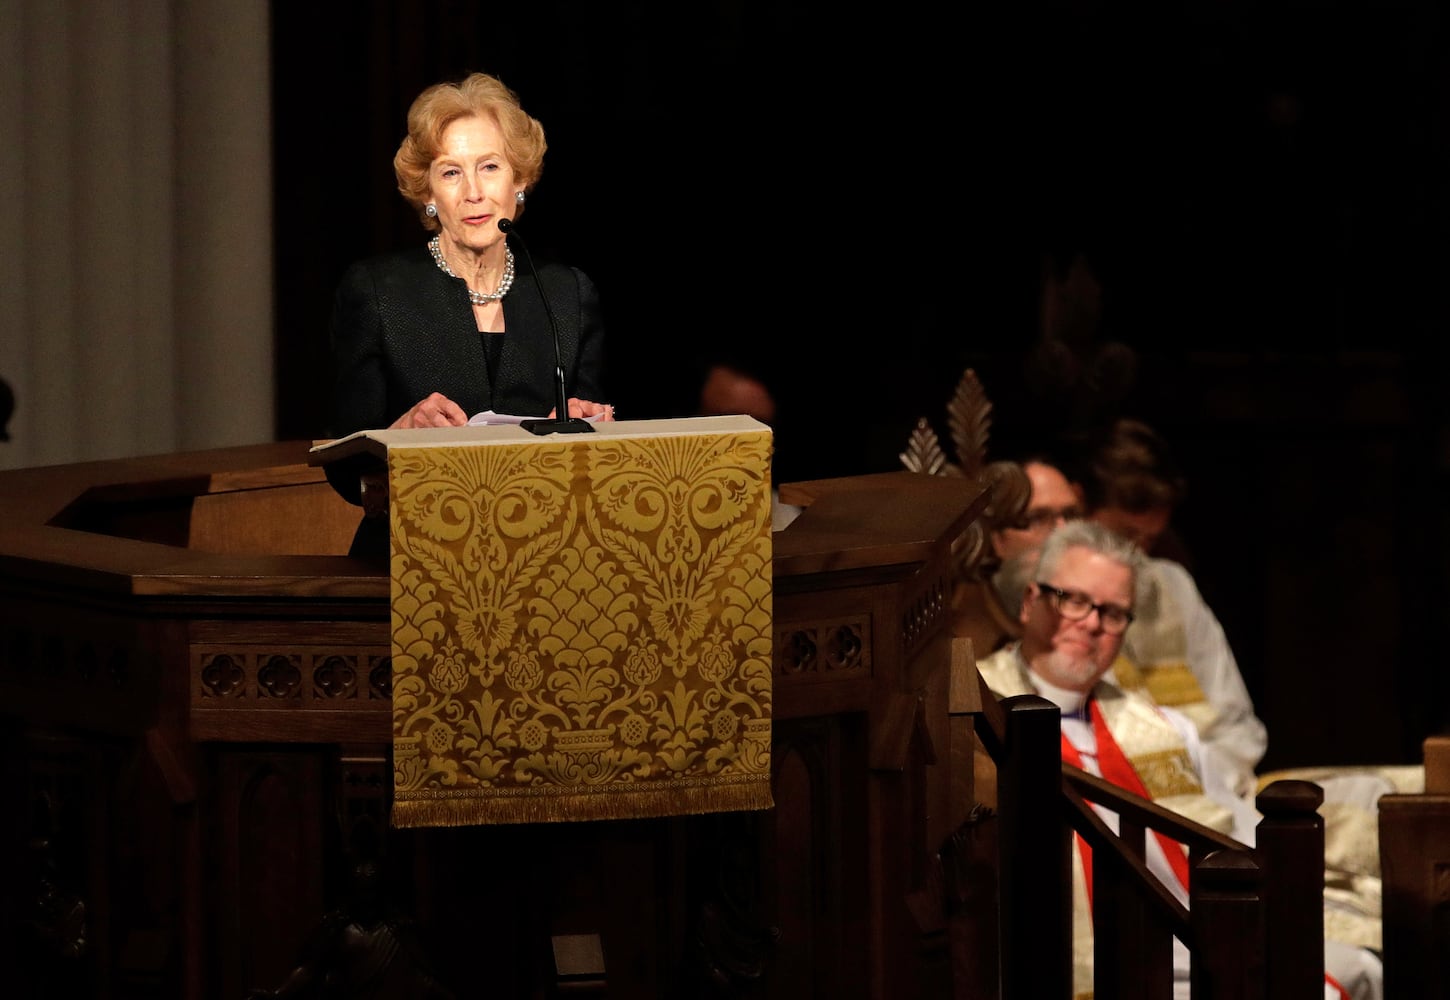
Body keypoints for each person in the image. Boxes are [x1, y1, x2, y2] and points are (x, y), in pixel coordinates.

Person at [975, 520, 1380, 1000]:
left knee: (1362, 967)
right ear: (1029, 600)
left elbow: (1233, 823)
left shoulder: (1161, 725)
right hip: (1068, 951)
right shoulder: (980, 714)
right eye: (1073, 599)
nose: (1091, 623)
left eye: (1112, 613)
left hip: (1192, 924)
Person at [324, 72, 614, 558]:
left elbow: (594, 445)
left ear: (519, 180)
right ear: (428, 193)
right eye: (452, 172)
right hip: (412, 555)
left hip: (546, 555)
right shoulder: (376, 291)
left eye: (490, 167)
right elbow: (342, 460)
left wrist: (585, 429)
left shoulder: (565, 292)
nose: (474, 192)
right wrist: (397, 437)